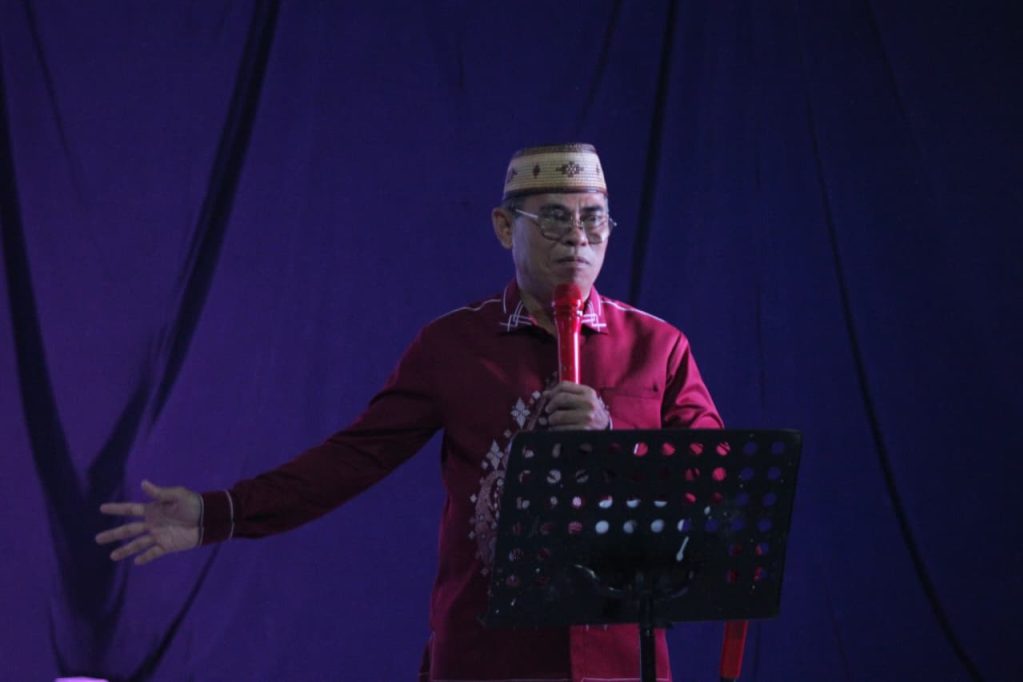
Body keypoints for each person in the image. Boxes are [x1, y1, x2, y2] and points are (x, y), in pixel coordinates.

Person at [96, 143, 723, 681]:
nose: (578, 238)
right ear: (505, 227)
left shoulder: (657, 347)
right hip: (486, 654)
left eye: (594, 219)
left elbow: (717, 481)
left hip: (618, 659)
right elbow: (353, 459)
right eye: (555, 217)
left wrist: (616, 440)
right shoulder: (455, 346)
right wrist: (219, 513)